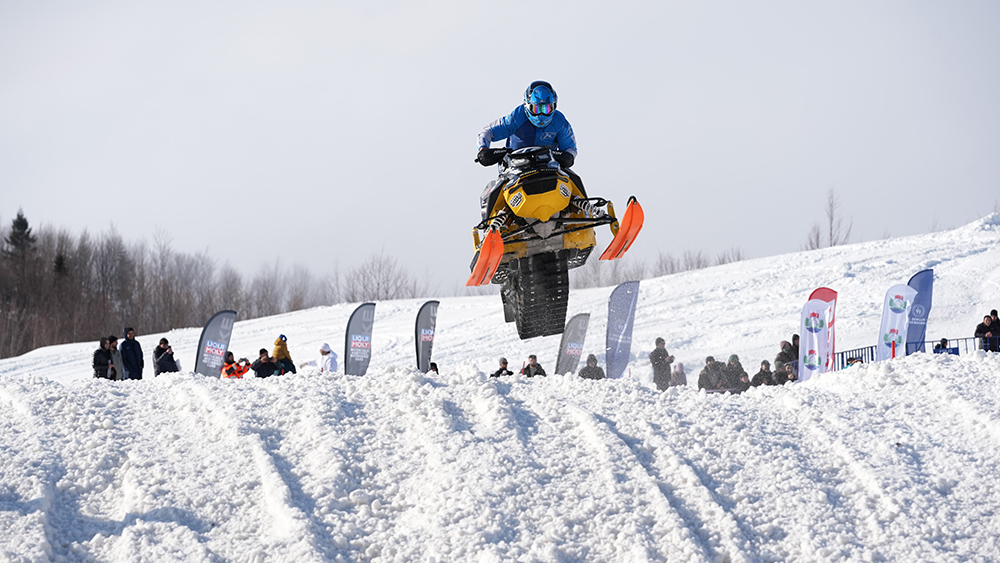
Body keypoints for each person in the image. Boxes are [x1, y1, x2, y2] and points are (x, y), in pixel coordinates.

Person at [476, 80, 578, 170]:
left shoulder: (560, 121)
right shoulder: (516, 118)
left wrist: (568, 157)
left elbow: (570, 149)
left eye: (546, 109)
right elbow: (488, 131)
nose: (541, 115)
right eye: (536, 109)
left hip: (549, 167)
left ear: (554, 106)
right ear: (527, 105)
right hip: (515, 168)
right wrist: (483, 149)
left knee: (573, 177)